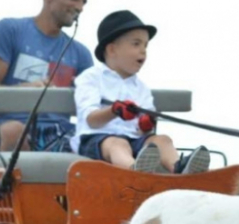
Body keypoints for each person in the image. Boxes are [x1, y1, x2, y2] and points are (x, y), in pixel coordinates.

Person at [73, 10, 210, 174]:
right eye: (136, 44)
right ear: (111, 50)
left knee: (163, 140)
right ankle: (135, 171)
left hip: (134, 140)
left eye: (145, 45)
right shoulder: (91, 78)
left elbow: (144, 130)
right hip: (96, 140)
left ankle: (181, 169)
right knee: (118, 144)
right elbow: (91, 121)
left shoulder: (141, 88)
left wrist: (146, 123)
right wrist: (114, 110)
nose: (143, 50)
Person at [0, 0, 93, 152]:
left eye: (84, 2)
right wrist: (26, 91)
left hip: (59, 135)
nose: (80, 8)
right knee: (13, 132)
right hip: (7, 132)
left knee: (100, 143)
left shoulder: (81, 54)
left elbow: (90, 108)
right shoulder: (9, 29)